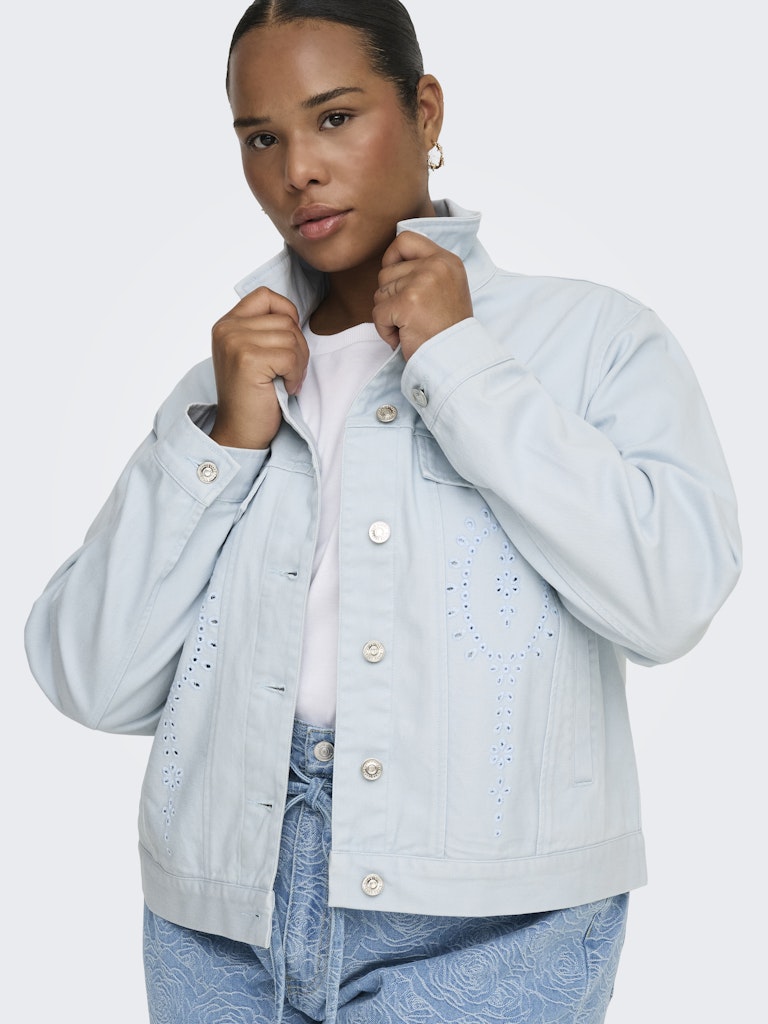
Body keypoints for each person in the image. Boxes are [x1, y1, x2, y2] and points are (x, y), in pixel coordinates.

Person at [25, 1, 741, 1021]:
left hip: (491, 924)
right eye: (260, 138)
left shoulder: (591, 341)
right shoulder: (227, 384)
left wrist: (462, 364)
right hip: (220, 923)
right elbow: (88, 678)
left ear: (425, 110)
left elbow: (671, 600)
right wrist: (221, 442)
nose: (297, 170)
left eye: (335, 117)